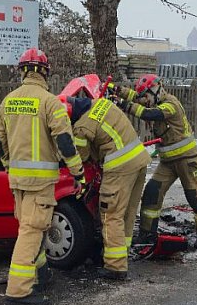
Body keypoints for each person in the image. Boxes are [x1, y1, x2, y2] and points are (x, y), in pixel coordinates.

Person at [0, 48, 85, 305]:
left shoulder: (8, 101)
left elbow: (0, 141)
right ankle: (19, 291)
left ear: (22, 71)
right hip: (41, 183)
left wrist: (9, 166)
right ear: (45, 71)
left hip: (18, 182)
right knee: (32, 232)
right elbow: (65, 142)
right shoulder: (50, 102)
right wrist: (78, 172)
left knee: (30, 228)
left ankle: (41, 273)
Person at [111, 74, 197, 249]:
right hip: (168, 161)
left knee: (194, 197)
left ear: (156, 90)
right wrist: (116, 89)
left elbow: (149, 114)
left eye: (147, 95)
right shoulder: (153, 100)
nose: (145, 100)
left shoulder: (170, 105)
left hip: (187, 161)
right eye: (144, 96)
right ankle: (147, 233)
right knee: (152, 193)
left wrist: (123, 104)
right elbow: (136, 97)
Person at [64, 94, 151, 280]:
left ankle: (115, 266)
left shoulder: (81, 127)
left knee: (110, 213)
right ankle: (122, 251)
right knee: (127, 210)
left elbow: (83, 156)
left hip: (120, 167)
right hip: (140, 160)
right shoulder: (101, 103)